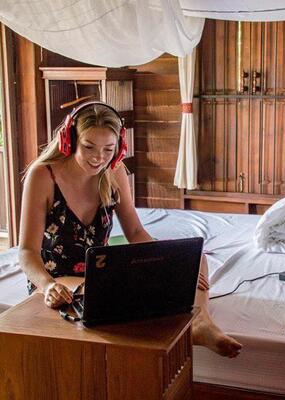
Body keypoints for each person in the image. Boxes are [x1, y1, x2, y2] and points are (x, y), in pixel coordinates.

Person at [19, 101, 242, 358]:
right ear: (69, 140)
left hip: (100, 272)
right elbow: (26, 252)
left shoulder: (114, 172)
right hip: (57, 279)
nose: (98, 157)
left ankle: (201, 321)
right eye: (89, 147)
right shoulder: (43, 176)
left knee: (196, 260)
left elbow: (134, 232)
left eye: (108, 149)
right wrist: (47, 285)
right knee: (127, 295)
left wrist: (169, 263)